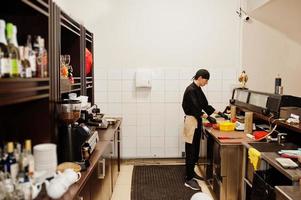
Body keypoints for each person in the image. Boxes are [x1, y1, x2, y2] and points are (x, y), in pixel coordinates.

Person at [182, 69, 228, 190]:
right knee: (191, 150)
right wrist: (209, 118)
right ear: (201, 77)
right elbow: (195, 109)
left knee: (195, 149)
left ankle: (191, 173)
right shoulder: (191, 90)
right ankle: (188, 179)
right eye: (206, 80)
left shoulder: (198, 89)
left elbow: (205, 105)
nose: (206, 83)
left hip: (197, 121)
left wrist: (220, 113)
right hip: (191, 122)